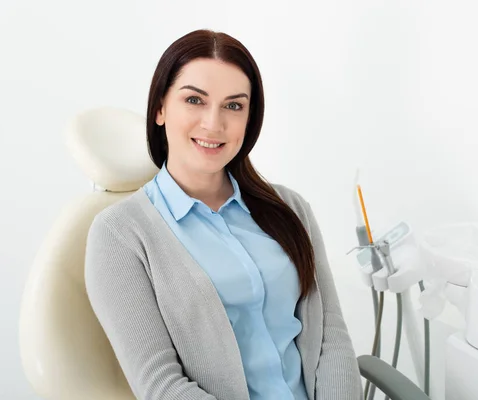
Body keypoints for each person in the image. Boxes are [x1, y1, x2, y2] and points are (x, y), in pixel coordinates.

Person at [84, 29, 362, 400]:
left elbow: (332, 340)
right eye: (195, 100)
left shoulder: (291, 209)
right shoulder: (119, 235)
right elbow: (161, 385)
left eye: (233, 106)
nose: (213, 124)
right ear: (161, 108)